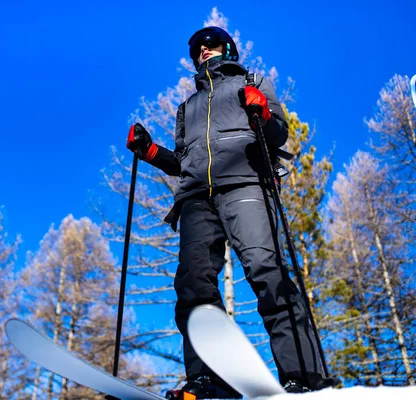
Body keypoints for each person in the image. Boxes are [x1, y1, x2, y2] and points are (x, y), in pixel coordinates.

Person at [126, 26, 336, 399]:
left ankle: (303, 376)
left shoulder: (251, 81)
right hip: (195, 197)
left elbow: (278, 133)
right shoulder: (187, 108)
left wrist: (261, 110)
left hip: (245, 183)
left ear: (227, 48)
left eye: (210, 44)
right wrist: (150, 152)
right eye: (197, 49)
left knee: (266, 271)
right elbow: (184, 161)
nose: (203, 51)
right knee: (192, 286)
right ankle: (210, 381)